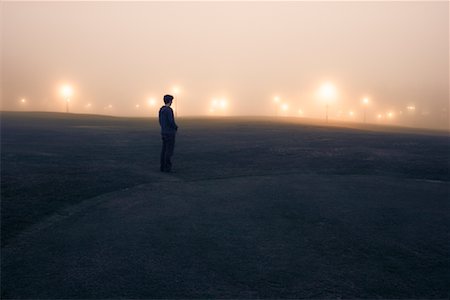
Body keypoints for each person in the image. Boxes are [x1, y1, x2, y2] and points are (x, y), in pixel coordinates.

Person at [159, 94, 178, 172]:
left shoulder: (161, 110)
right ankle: (168, 167)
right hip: (170, 133)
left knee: (164, 150)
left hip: (164, 132)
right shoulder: (169, 110)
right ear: (170, 101)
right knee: (169, 150)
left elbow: (160, 121)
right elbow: (171, 121)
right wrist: (175, 127)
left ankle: (162, 167)